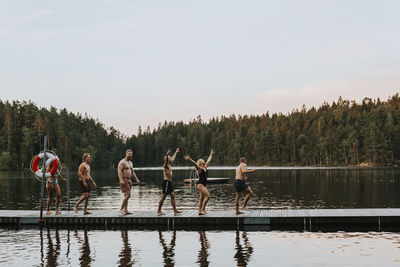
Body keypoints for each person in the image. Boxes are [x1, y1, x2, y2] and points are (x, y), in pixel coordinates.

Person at [184, 150, 214, 215]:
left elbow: (209, 160)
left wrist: (211, 154)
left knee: (201, 199)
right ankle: (203, 209)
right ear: (200, 163)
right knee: (208, 196)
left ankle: (199, 211)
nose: (203, 160)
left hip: (204, 185)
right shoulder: (199, 168)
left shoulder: (205, 167)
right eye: (202, 160)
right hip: (200, 185)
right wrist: (190, 159)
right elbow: (194, 163)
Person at [157, 148, 182, 216]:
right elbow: (166, 162)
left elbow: (173, 158)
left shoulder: (169, 164)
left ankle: (175, 210)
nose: (172, 159)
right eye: (170, 158)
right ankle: (159, 210)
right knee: (163, 197)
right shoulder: (165, 166)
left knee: (173, 196)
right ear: (167, 160)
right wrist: (167, 154)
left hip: (169, 183)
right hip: (166, 183)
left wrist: (176, 152)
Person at [118, 149, 140, 215]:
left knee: (126, 195)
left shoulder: (130, 163)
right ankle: (121, 209)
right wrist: (121, 179)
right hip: (124, 180)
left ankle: (126, 210)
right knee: (128, 195)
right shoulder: (122, 162)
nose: (130, 155)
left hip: (129, 180)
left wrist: (136, 179)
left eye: (131, 154)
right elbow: (119, 171)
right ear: (126, 154)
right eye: (129, 154)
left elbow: (133, 172)